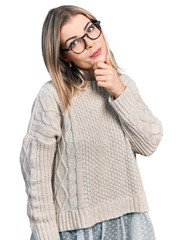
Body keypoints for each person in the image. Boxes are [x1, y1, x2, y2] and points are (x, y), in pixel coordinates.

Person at [19, 4, 163, 240]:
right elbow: (37, 178)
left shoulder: (123, 84)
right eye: (75, 42)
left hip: (130, 223)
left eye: (90, 29)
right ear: (63, 55)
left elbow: (149, 144)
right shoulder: (53, 96)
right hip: (76, 230)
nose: (90, 43)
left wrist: (119, 91)